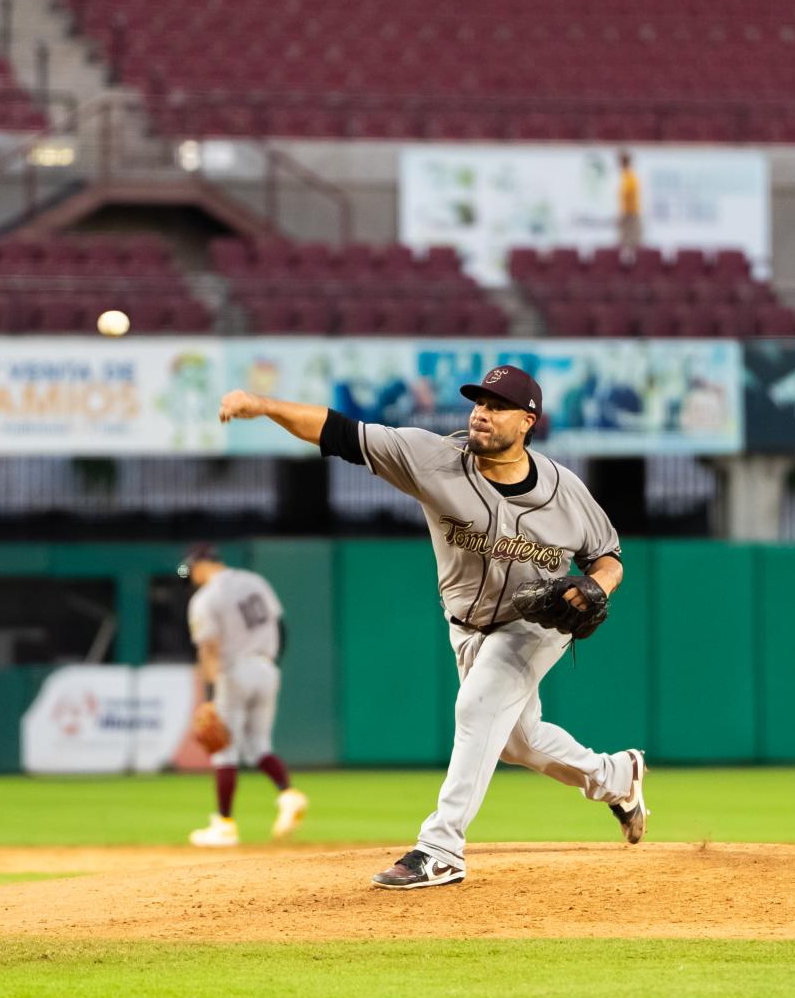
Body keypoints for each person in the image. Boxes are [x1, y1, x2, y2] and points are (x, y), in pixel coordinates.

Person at [217, 364, 649, 890]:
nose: (480, 414)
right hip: (466, 627)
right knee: (518, 742)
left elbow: (608, 557)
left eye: (496, 407)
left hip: (536, 623)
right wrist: (264, 406)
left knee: (478, 707)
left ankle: (441, 847)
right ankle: (615, 777)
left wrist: (598, 587)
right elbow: (338, 432)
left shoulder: (565, 491)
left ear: (528, 420)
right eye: (478, 403)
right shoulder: (433, 459)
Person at [179, 543, 307, 847]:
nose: (191, 577)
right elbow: (280, 626)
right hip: (267, 668)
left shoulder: (205, 598)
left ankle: (224, 825)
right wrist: (269, 665)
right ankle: (288, 795)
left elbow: (209, 648)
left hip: (233, 671)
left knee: (224, 749)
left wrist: (210, 695)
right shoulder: (254, 581)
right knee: (258, 745)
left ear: (200, 565)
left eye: (190, 571)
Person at [615, 149, 642, 254]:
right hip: (628, 212)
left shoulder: (629, 177)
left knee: (631, 240)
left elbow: (625, 193)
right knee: (626, 241)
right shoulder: (627, 176)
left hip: (630, 212)